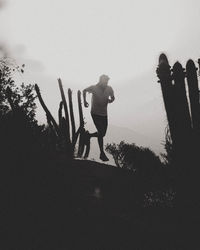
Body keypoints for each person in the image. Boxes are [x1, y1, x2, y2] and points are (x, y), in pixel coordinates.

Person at [83, 74, 115, 161]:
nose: (107, 82)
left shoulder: (109, 88)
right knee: (101, 132)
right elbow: (84, 90)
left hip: (104, 114)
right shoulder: (94, 88)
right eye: (106, 80)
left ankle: (89, 135)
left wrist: (110, 100)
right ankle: (102, 153)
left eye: (107, 81)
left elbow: (113, 98)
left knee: (102, 134)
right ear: (101, 80)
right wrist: (85, 101)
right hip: (95, 113)